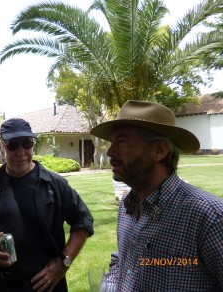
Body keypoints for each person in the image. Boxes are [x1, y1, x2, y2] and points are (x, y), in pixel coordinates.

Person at [90, 100, 223, 291]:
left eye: (122, 140)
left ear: (159, 150)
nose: (110, 151)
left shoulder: (209, 217)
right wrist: (108, 286)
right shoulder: (127, 207)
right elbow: (122, 261)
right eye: (112, 142)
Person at [0, 118, 94, 292]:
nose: (21, 151)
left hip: (42, 286)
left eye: (27, 143)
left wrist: (63, 263)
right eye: (13, 145)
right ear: (2, 146)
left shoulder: (54, 184)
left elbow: (82, 220)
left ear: (33, 144)